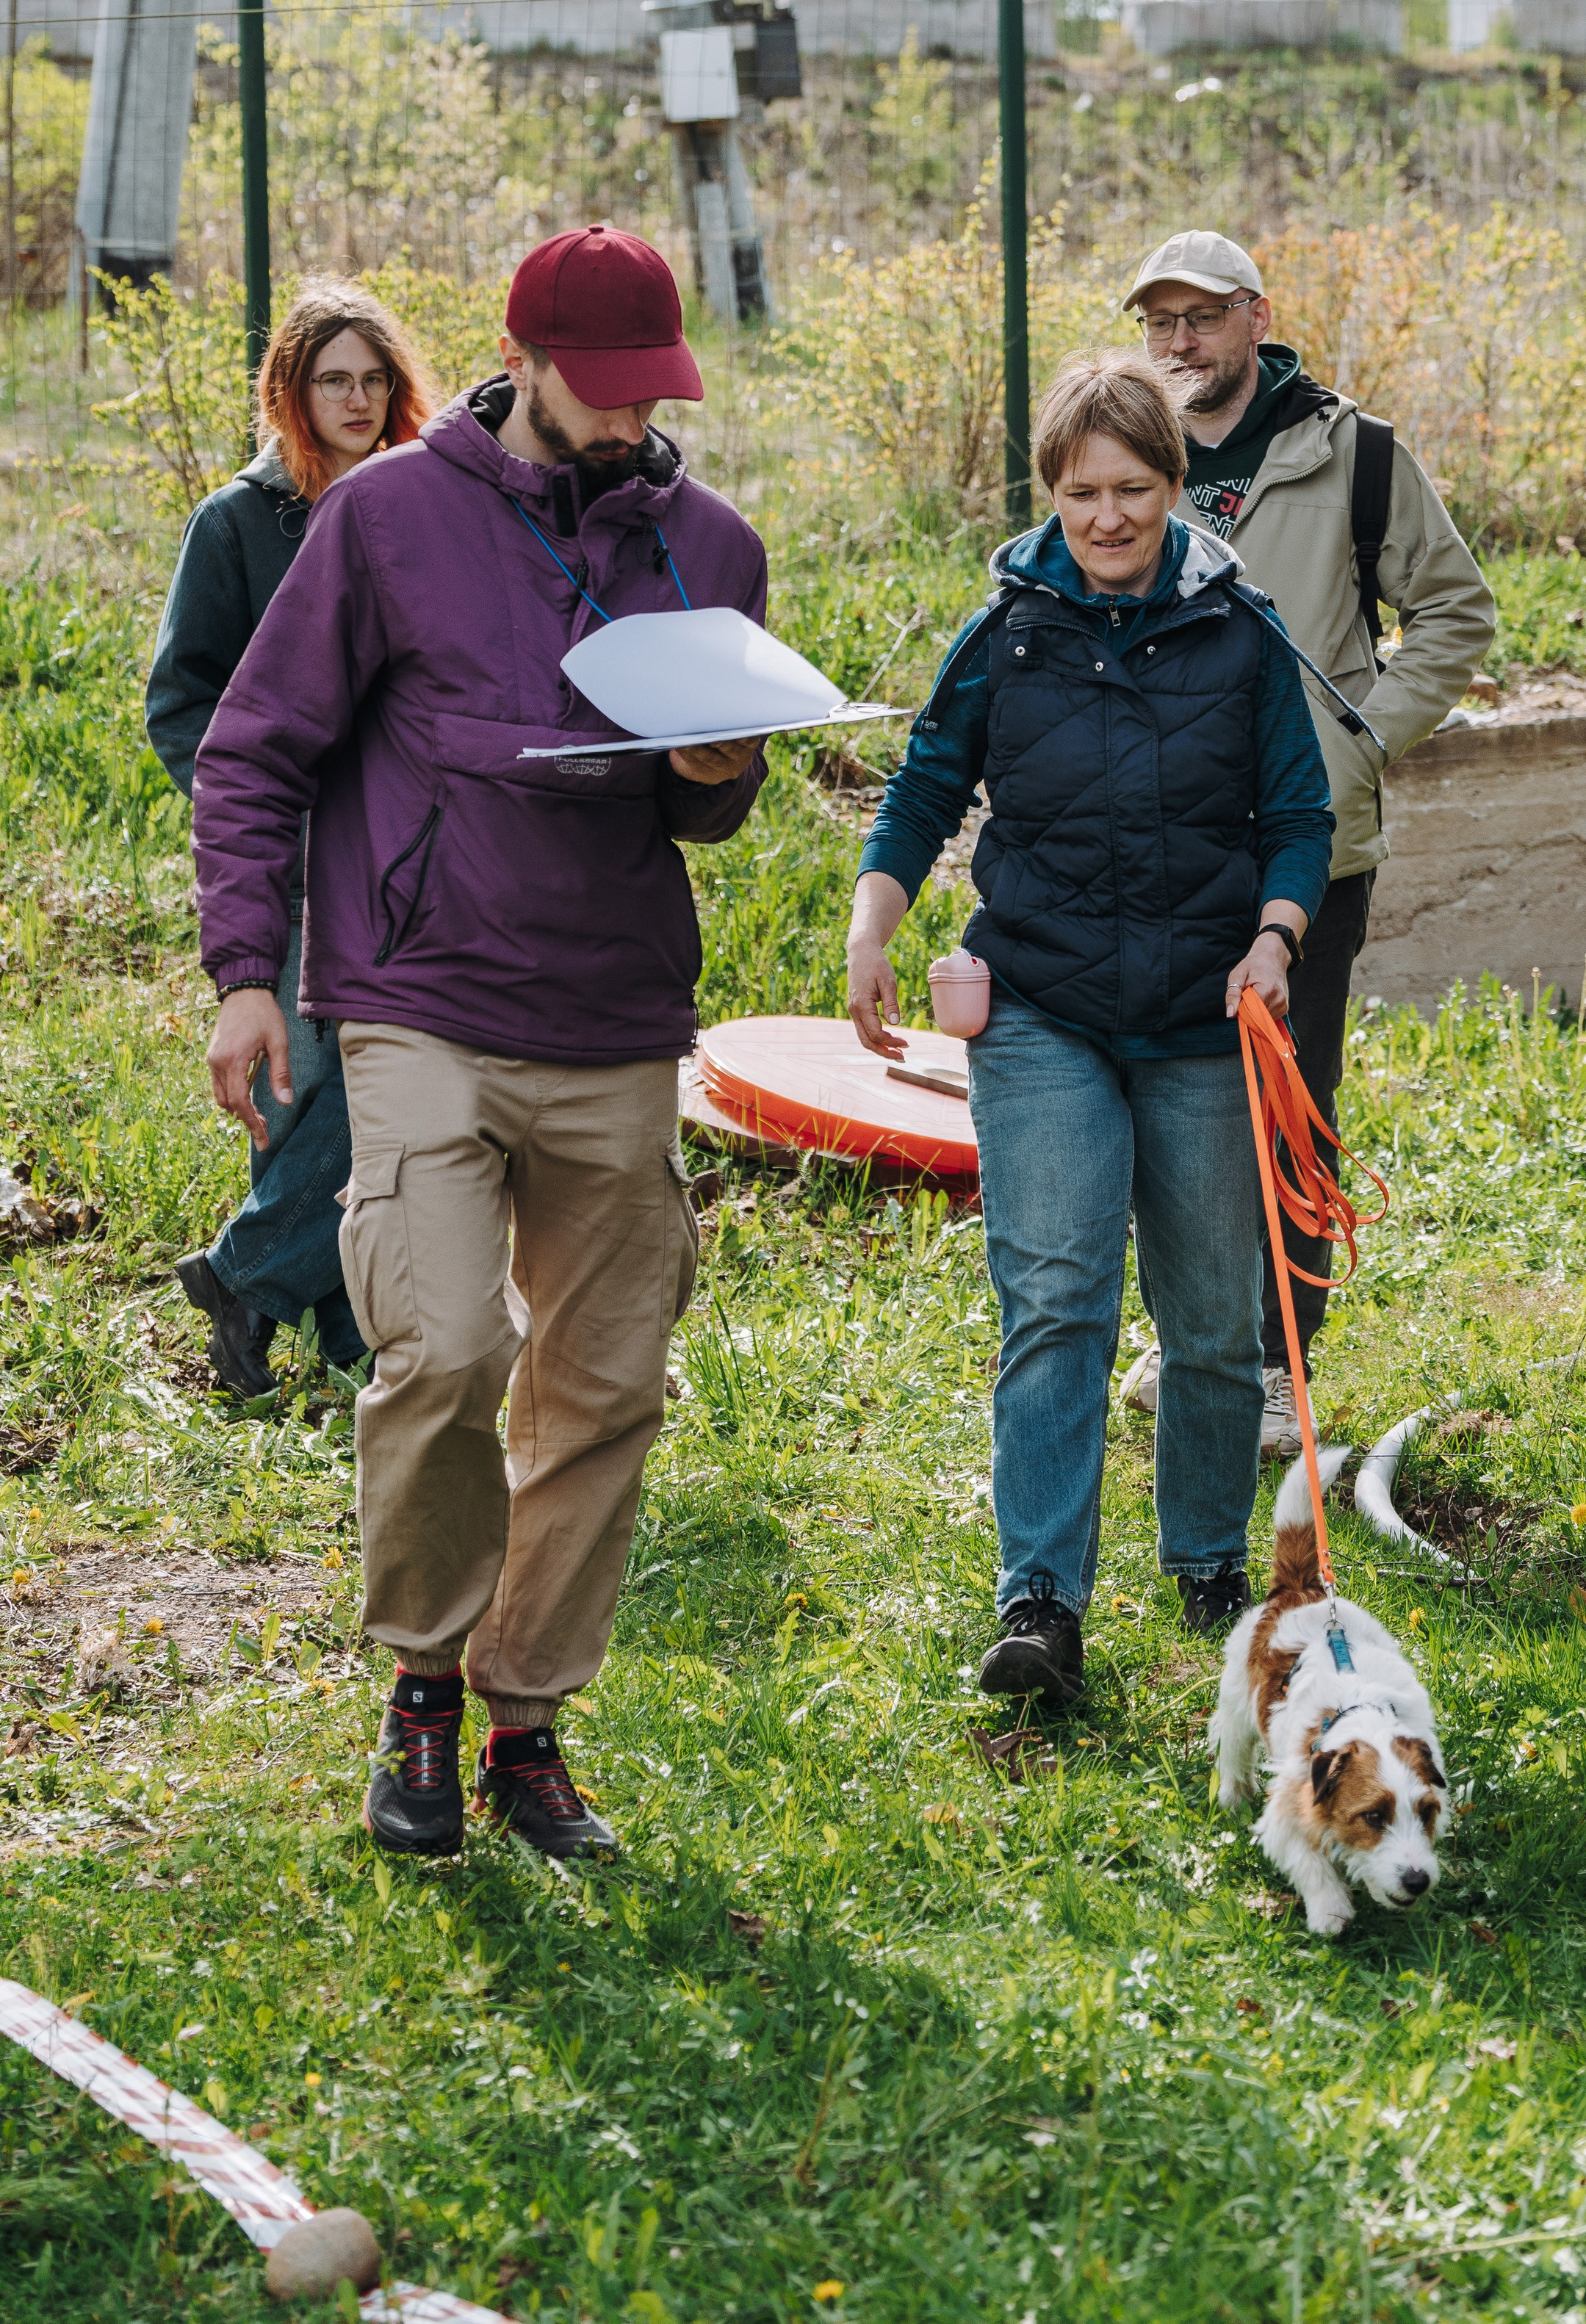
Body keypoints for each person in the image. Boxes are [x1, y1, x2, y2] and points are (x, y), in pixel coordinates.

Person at [188, 225, 768, 1858]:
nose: (638, 417)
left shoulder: (707, 542)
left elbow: (702, 812)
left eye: (661, 386)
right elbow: (254, 751)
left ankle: (526, 1720)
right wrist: (248, 970)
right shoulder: (384, 522)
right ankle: (422, 1687)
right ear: (523, 356)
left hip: (613, 1011)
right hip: (421, 991)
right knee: (442, 1347)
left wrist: (719, 771)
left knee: (601, 1384)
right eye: (611, 384)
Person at [846, 352, 1334, 1697]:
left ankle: (1208, 1565)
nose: (1108, 517)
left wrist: (1274, 939)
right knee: (1058, 1300)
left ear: (1179, 490)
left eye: (1132, 489)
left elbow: (1300, 816)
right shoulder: (1007, 627)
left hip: (1201, 1013)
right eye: (1081, 493)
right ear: (1052, 497)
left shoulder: (1242, 631)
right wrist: (872, 920)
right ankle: (1041, 1601)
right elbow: (924, 786)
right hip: (1045, 1009)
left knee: (1214, 1321)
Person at [1118, 231, 1496, 1433]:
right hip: (1164, 837)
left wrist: (1359, 740)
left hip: (1309, 839)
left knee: (1289, 1096)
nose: (1180, 344)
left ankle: (1281, 1361)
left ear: (1254, 316)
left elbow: (1455, 609)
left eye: (1201, 319)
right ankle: (1193, 1340)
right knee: (1170, 1093)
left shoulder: (1352, 452)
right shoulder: (1130, 450)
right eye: (1158, 323)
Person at [148, 281, 440, 1394]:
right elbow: (184, 703)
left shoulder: (423, 509)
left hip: (407, 853)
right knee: (303, 1093)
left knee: (387, 1089)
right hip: (294, 860)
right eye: (335, 381)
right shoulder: (235, 524)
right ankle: (313, 1317)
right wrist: (264, 812)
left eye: (375, 379)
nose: (358, 400)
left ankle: (261, 1289)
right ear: (292, 392)